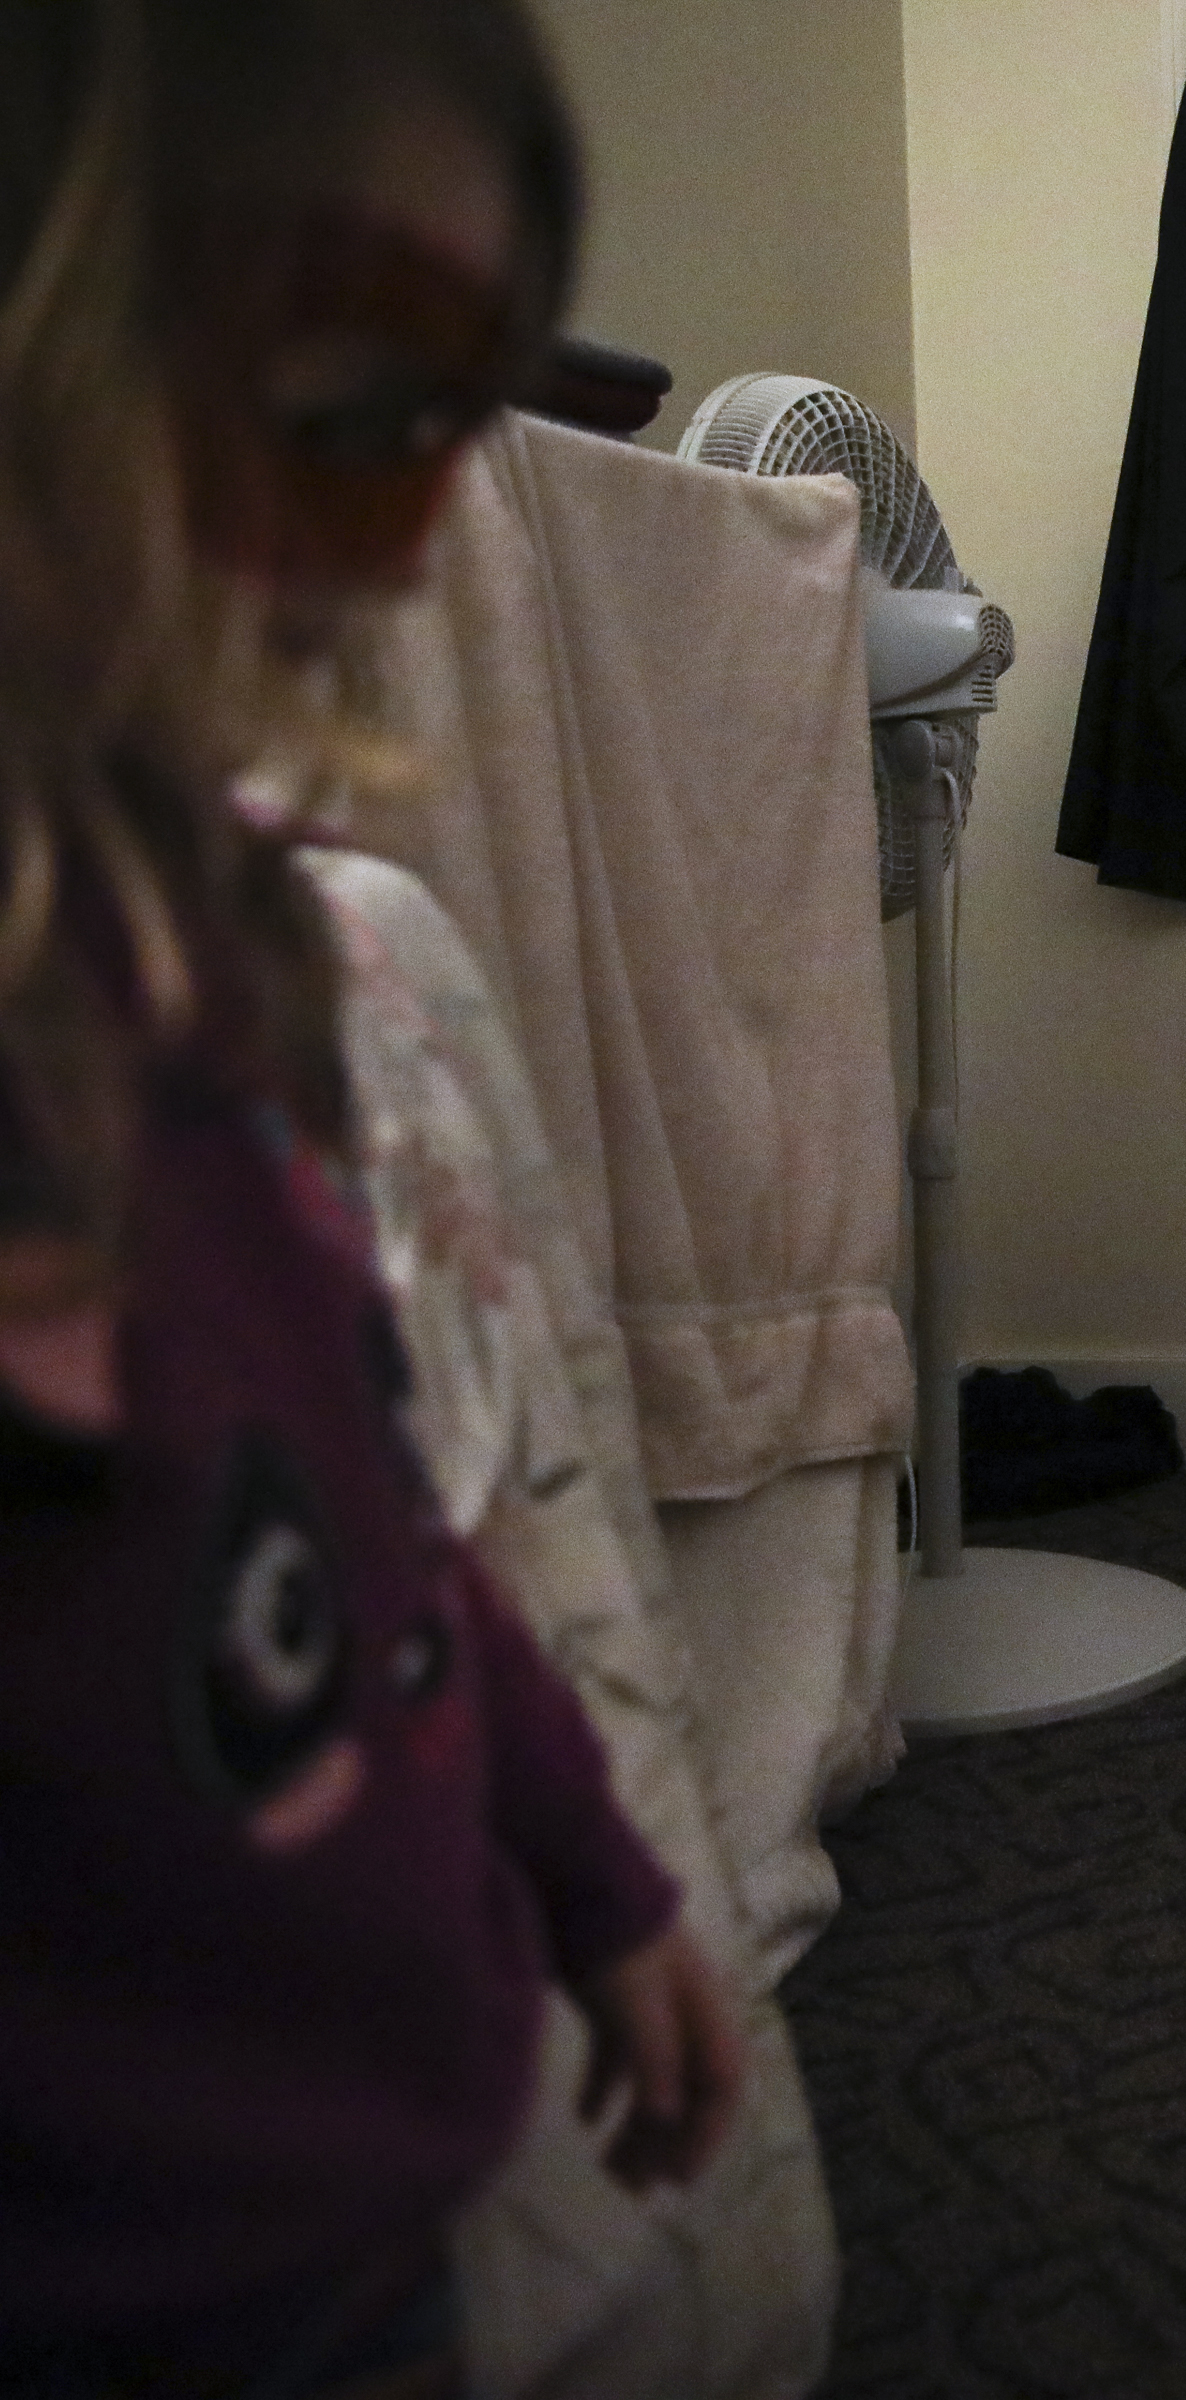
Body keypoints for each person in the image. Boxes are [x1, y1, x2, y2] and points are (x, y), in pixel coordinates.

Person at [0, 4, 740, 2390]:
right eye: (348, 413)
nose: (425, 533)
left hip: (372, 2246)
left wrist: (599, 1879)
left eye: (466, 409)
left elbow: (375, 1519)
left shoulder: (242, 959)